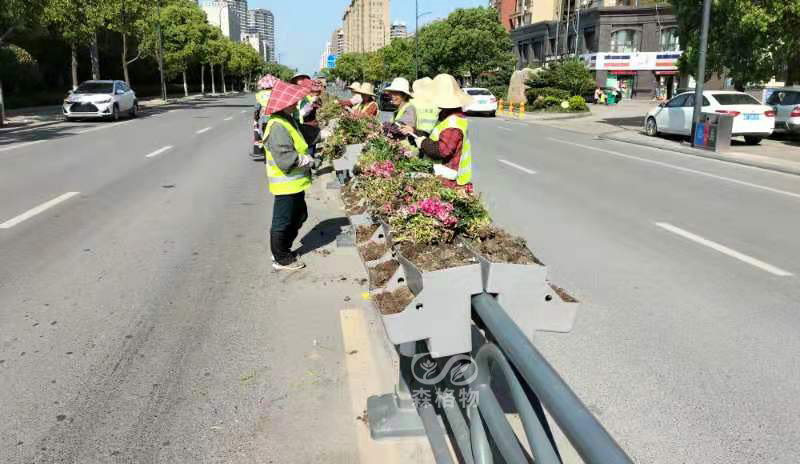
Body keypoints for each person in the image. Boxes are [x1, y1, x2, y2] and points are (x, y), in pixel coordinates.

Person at [262, 80, 320, 270]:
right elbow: (285, 158)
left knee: (299, 216)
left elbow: (303, 134)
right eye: (293, 101)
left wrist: (323, 134)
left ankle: (283, 250)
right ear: (284, 103)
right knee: (283, 220)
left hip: (295, 182)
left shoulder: (288, 119)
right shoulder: (277, 125)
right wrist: (308, 160)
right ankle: (281, 258)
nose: (296, 103)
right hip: (286, 183)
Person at [400, 74, 473, 187]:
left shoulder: (453, 123)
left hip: (448, 180)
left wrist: (423, 143)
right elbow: (435, 137)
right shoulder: (448, 117)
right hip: (443, 175)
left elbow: (442, 151)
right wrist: (414, 131)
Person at [252, 74, 278, 159]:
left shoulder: (260, 94)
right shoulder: (276, 93)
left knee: (263, 135)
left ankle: (265, 151)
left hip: (264, 119)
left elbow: (257, 108)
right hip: (276, 118)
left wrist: (255, 119)